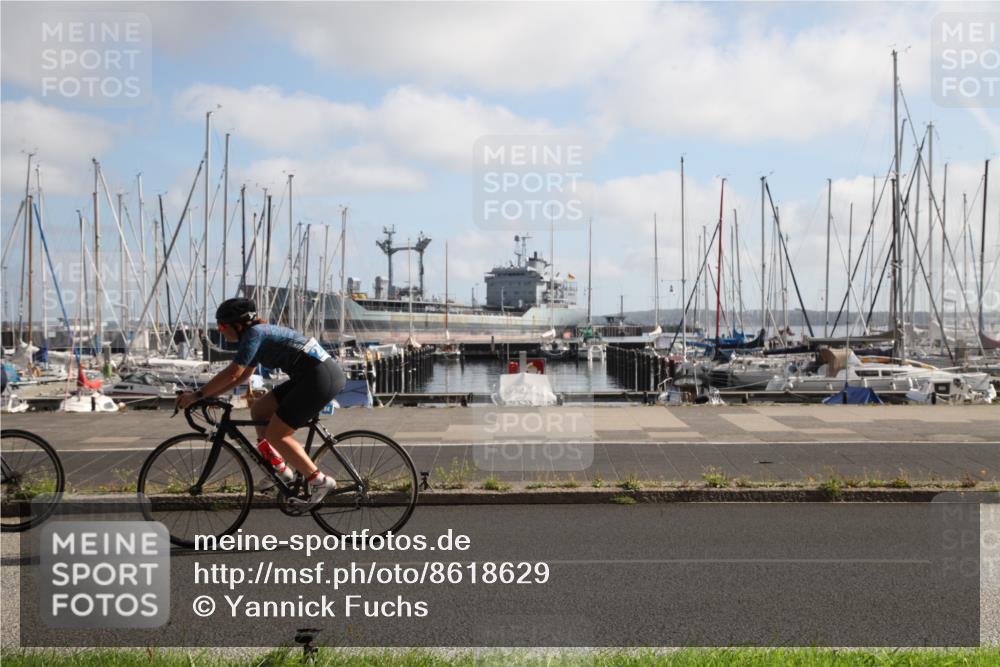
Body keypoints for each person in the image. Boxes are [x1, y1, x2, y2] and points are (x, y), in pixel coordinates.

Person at [176, 298, 346, 506]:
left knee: (277, 434)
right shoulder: (255, 335)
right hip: (309, 376)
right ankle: (281, 470)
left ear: (237, 325)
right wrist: (209, 395)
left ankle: (319, 480)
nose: (220, 331)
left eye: (221, 326)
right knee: (259, 410)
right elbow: (242, 377)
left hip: (320, 376)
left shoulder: (254, 334)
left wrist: (196, 395)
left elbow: (233, 373)